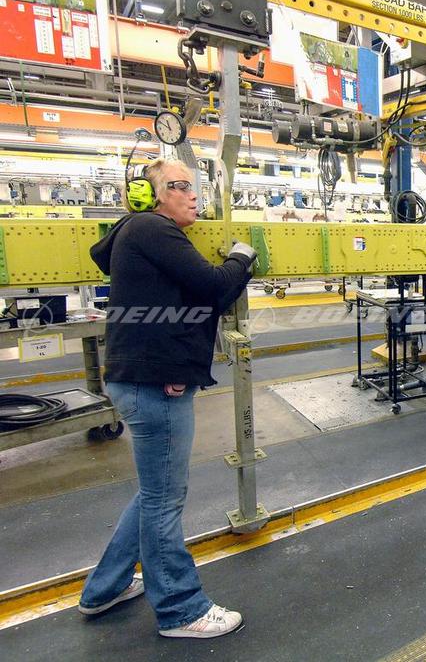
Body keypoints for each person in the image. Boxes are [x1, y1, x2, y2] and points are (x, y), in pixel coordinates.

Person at [78, 158, 257, 638]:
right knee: (164, 500)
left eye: (194, 186)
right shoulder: (153, 228)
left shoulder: (137, 235)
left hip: (143, 380)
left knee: (153, 494)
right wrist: (242, 257)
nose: (193, 194)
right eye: (180, 186)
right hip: (154, 384)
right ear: (152, 195)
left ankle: (104, 588)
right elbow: (214, 286)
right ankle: (180, 609)